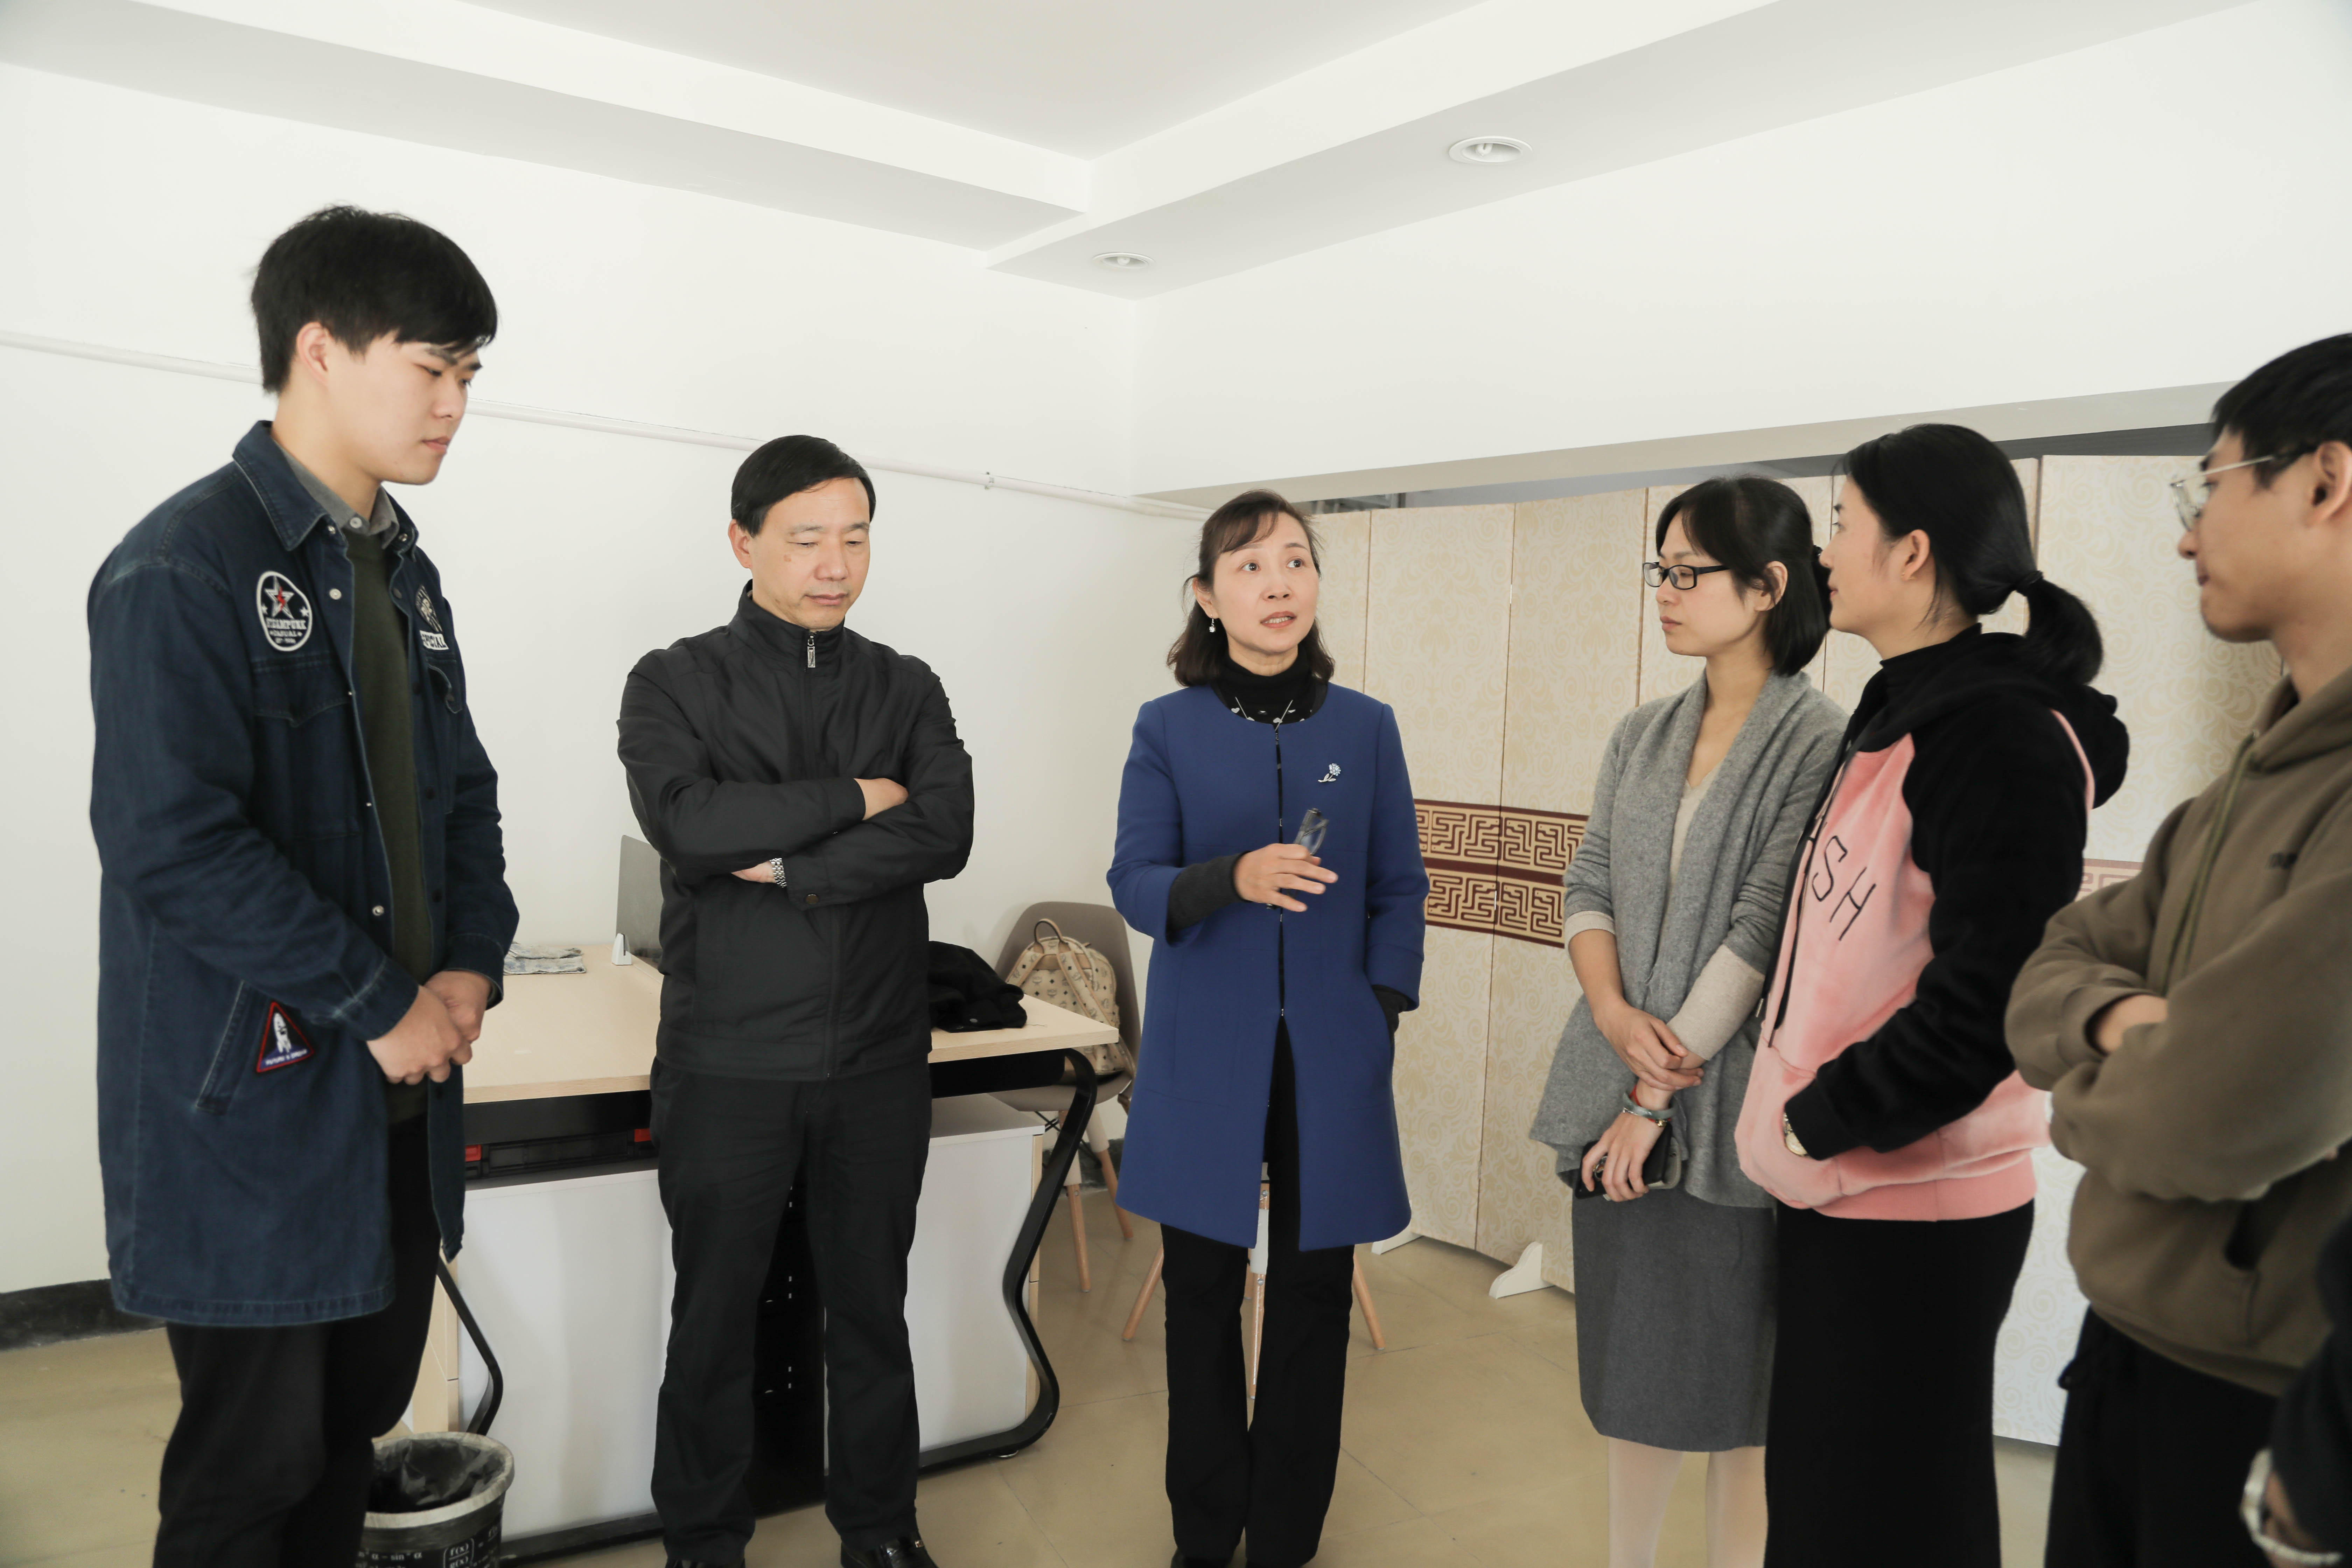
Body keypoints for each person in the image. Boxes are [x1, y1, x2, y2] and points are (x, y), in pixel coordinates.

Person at [86, 205, 519, 1567]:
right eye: (431, 369)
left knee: (345, 1440)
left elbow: (463, 795)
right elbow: (170, 840)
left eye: (469, 375)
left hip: (394, 1107)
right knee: (249, 1476)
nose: (455, 406)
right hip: (255, 1116)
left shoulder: (405, 576)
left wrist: (471, 959)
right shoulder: (183, 564)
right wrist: (379, 999)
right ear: (320, 350)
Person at [1731, 424, 2129, 1568]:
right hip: (1848, 1192)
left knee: (1882, 1519)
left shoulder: (1997, 734)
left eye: (1842, 524)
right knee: (1852, 1508)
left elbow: (1993, 996)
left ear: (1912, 553)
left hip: (1914, 1207)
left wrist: (1819, 1117)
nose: (1824, 552)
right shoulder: (1908, 705)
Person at [2006, 334, 2352, 1568]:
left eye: (2209, 487)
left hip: (2265, 1407)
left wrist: (2086, 1095)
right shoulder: (2249, 779)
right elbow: (2051, 968)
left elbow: (2221, 1110)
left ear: (2326, 481)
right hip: (2131, 1355)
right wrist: (2120, 1021)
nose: (2187, 535)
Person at [617, 435, 974, 1568]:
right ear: (745, 543)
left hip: (876, 1059)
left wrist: (787, 863)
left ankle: (880, 1532)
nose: (836, 564)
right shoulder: (673, 680)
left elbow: (946, 832)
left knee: (869, 1311)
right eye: (808, 538)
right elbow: (692, 824)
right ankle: (702, 1544)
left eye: (855, 538)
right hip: (727, 1060)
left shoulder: (906, 684)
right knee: (713, 1318)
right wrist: (861, 797)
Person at [1107, 490, 1427, 1568]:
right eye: (1249, 567)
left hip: (1333, 1053)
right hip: (1207, 1050)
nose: (1278, 584)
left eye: (1295, 561)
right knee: (1200, 1294)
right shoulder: (1167, 728)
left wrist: (1380, 1013)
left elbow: (1399, 888)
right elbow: (1135, 881)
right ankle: (1205, 1536)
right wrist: (1230, 878)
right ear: (1208, 597)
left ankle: (1286, 1538)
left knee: (1313, 1297)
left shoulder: (1367, 727)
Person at [1529, 477, 1843, 1568]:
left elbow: (1762, 930)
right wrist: (1613, 1012)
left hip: (1724, 1113)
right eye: (1658, 571)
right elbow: (1590, 881)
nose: (1663, 593)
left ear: (1767, 587)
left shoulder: (1819, 740)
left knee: (1735, 1396)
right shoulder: (1642, 733)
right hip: (1611, 1077)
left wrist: (1655, 1094)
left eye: (1687, 573)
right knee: (1636, 1374)